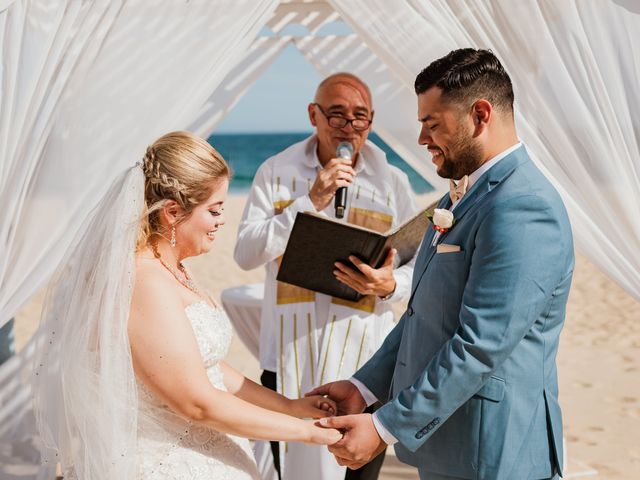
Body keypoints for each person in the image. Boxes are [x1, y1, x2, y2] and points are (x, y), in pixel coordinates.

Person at [310, 49, 574, 480]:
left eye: (432, 124)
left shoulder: (523, 206)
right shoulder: (466, 194)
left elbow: (479, 343)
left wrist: (384, 427)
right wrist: (364, 387)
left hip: (495, 452)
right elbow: (424, 315)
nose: (421, 140)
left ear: (480, 115)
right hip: (450, 446)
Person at [33, 131, 341, 480]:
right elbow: (195, 402)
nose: (222, 221)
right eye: (214, 210)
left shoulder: (174, 268)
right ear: (172, 212)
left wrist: (290, 406)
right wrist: (307, 433)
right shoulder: (146, 283)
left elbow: (207, 366)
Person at [234, 73, 418, 480]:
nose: (348, 127)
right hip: (290, 355)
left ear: (371, 123)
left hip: (365, 364)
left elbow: (416, 268)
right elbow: (245, 254)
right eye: (336, 115)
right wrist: (310, 201)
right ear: (312, 115)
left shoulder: (394, 183)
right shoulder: (275, 172)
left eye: (360, 117)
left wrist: (390, 285)